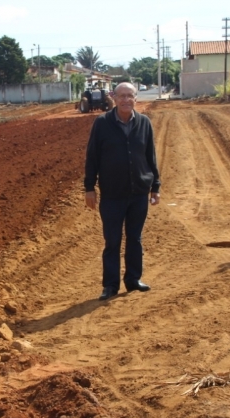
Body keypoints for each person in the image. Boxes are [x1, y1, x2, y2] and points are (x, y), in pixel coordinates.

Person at [84, 82, 161, 301]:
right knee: (112, 240)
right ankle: (110, 285)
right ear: (114, 98)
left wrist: (155, 186)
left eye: (130, 96)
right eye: (122, 96)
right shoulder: (102, 124)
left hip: (138, 193)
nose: (126, 100)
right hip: (112, 194)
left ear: (136, 98)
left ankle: (133, 280)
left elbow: (150, 157)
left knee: (135, 238)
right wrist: (89, 188)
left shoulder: (144, 123)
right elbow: (92, 158)